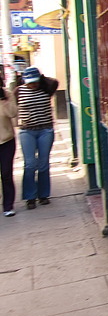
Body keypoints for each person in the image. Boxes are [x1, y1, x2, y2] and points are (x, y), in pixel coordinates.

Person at [16, 67, 59, 210]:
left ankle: (43, 195)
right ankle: (30, 197)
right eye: (29, 82)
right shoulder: (19, 91)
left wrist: (42, 78)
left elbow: (55, 82)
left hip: (45, 130)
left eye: (35, 82)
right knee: (29, 164)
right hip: (27, 131)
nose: (32, 85)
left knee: (43, 163)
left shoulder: (47, 88)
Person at [0, 75, 18, 216]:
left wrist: (4, 100)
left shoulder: (7, 95)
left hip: (6, 141)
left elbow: (13, 113)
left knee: (6, 173)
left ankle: (8, 206)